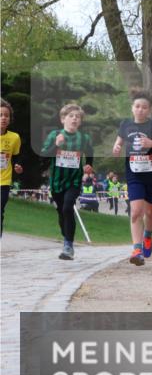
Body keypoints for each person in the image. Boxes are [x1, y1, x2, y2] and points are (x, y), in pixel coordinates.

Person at [112, 91, 152, 266]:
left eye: (144, 107)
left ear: (149, 110)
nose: (140, 110)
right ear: (132, 108)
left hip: (151, 175)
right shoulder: (125, 124)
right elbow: (118, 141)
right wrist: (116, 147)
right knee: (136, 211)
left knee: (150, 212)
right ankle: (137, 250)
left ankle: (148, 235)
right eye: (137, 106)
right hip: (133, 175)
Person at [40, 103, 94, 260]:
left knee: (68, 207)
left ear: (80, 121)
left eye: (77, 117)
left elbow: (90, 152)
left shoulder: (84, 138)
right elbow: (44, 154)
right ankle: (66, 235)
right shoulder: (55, 135)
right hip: (57, 182)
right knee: (61, 211)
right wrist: (56, 145)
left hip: (74, 181)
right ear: (63, 119)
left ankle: (68, 246)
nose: (74, 119)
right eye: (71, 116)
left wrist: (89, 164)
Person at [1, 98, 24, 234]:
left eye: (6, 115)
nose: (3, 118)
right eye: (0, 115)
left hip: (3, 181)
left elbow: (16, 156)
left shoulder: (14, 137)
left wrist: (18, 165)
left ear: (10, 119)